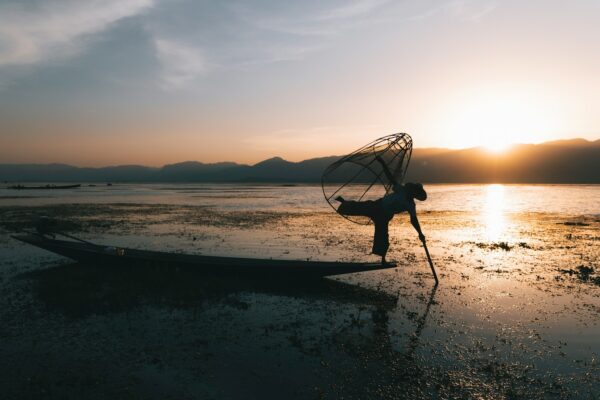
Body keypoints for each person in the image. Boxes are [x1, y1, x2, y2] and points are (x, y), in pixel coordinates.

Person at [335, 155, 427, 265]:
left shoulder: (410, 205)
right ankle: (344, 204)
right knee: (359, 207)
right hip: (377, 206)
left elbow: (413, 220)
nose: (416, 195)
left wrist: (420, 233)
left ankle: (383, 259)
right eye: (417, 194)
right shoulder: (401, 190)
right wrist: (382, 162)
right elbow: (390, 177)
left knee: (383, 236)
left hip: (385, 216)